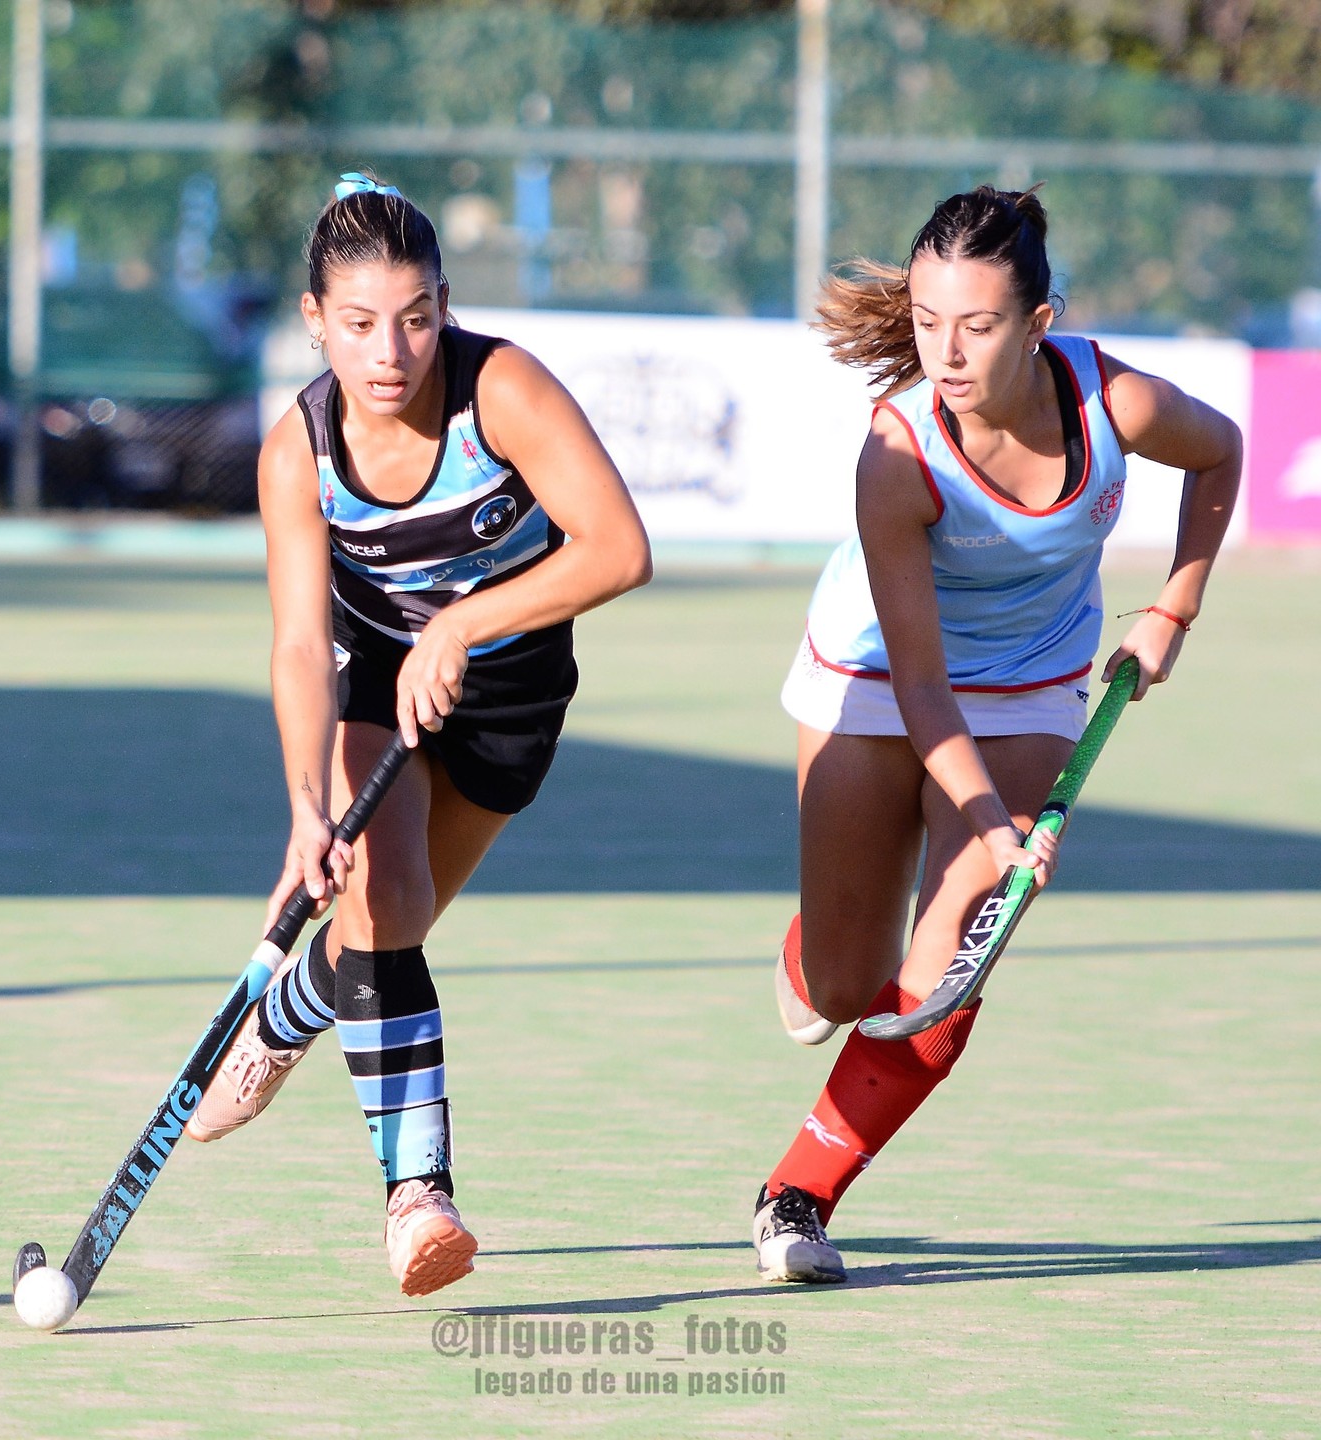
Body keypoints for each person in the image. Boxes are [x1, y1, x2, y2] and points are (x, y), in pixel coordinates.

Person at [754, 185, 1241, 1283]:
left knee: (942, 980)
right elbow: (923, 687)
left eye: (976, 326)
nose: (948, 352)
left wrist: (1173, 609)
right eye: (928, 322)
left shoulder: (1116, 405)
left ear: (1040, 323)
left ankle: (797, 1196)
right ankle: (817, 946)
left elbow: (1222, 454)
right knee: (846, 990)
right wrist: (989, 819)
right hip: (878, 677)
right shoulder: (898, 454)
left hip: (1029, 687)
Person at [183, 171, 651, 1299]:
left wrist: (473, 625)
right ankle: (419, 1196)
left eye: (415, 317)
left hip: (515, 676)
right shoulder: (298, 451)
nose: (390, 352)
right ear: (314, 323)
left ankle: (294, 1011)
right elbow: (299, 643)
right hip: (368, 665)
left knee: (379, 939)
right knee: (380, 901)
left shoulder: (503, 393)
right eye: (357, 325)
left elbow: (618, 548)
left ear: (444, 301)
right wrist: (305, 809)